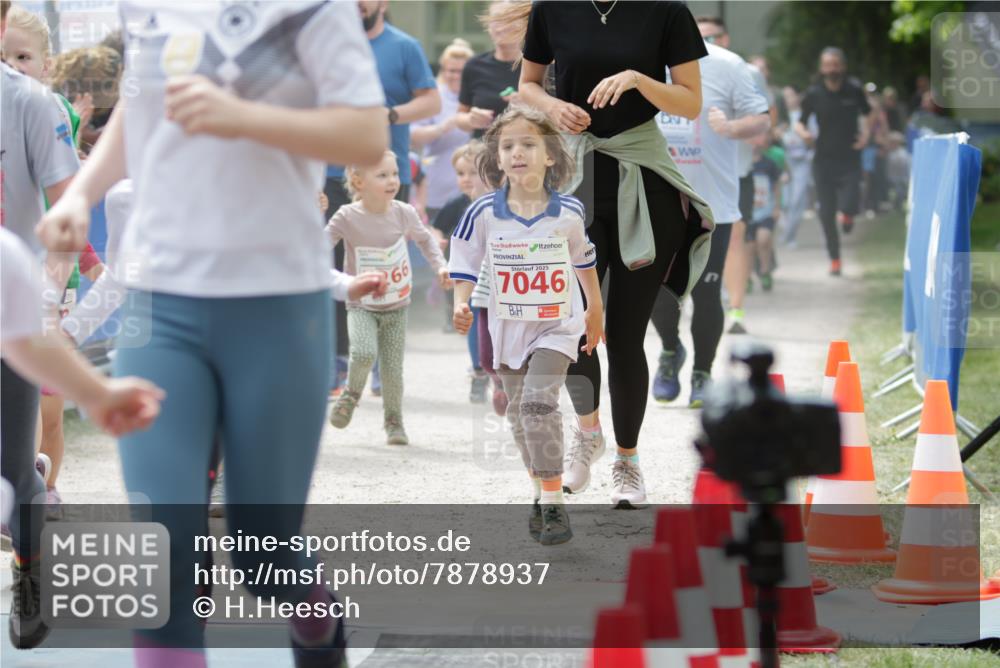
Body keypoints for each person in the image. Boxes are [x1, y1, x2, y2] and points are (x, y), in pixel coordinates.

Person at [34, 2, 388, 666]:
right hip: (160, 305)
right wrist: (80, 194)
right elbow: (139, 108)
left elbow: (367, 135)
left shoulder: (313, 9)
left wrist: (242, 116)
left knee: (264, 557)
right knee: (165, 554)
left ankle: (316, 619)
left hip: (278, 304)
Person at [516, 0, 713, 507]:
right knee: (576, 326)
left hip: (644, 181)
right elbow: (528, 85)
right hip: (574, 179)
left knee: (625, 334)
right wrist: (552, 107)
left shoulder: (667, 11)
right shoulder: (552, 8)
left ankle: (628, 461)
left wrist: (638, 80)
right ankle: (589, 435)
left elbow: (691, 103)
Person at [449, 105, 604, 544]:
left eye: (529, 144)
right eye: (508, 146)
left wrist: (595, 308)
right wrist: (461, 303)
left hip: (557, 327)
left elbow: (584, 259)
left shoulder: (568, 211)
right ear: (497, 158)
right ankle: (540, 488)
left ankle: (554, 503)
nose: (517, 153)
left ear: (550, 155)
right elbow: (463, 262)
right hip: (508, 331)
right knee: (519, 416)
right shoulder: (483, 212)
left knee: (538, 405)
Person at [0, 0, 80, 647]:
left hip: (12, 312)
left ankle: (29, 572)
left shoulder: (29, 102)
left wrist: (48, 293)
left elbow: (66, 214)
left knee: (12, 469)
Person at [326, 0, 441, 398]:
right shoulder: (326, 44)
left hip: (387, 173)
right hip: (332, 172)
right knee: (334, 266)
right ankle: (338, 361)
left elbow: (431, 102)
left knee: (386, 266)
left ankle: (378, 360)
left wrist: (389, 116)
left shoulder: (404, 46)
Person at [650, 30, 770, 406]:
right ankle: (671, 350)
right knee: (658, 290)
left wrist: (731, 128)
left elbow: (762, 120)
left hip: (711, 203)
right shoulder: (641, 60)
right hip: (655, 201)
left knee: (706, 292)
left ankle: (702, 373)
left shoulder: (728, 65)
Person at [327, 150, 451, 445]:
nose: (393, 180)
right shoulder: (346, 216)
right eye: (382, 175)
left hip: (397, 305)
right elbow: (319, 245)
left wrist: (441, 266)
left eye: (395, 173)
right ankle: (351, 394)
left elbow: (425, 240)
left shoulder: (403, 212)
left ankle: (394, 421)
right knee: (363, 353)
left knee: (392, 370)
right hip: (361, 304)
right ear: (358, 181)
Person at [694, 16, 774, 335]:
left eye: (711, 37)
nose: (705, 44)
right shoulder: (674, 67)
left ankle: (736, 310)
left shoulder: (744, 70)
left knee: (735, 238)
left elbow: (765, 121)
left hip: (735, 172)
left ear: (725, 39)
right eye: (699, 37)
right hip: (690, 176)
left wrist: (732, 128)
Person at [430, 141, 503, 406]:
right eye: (460, 173)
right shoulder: (457, 203)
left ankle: (501, 372)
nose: (466, 179)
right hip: (469, 276)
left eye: (473, 172)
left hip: (501, 275)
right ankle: (479, 372)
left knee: (499, 324)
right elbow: (436, 227)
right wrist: (437, 241)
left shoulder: (500, 202)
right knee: (472, 319)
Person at [795, 47, 872, 277]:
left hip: (850, 157)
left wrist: (866, 135)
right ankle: (835, 260)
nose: (832, 69)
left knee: (850, 201)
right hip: (823, 160)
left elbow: (869, 113)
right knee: (826, 214)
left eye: (836, 64)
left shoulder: (854, 89)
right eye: (828, 65)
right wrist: (804, 134)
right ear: (821, 68)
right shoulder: (814, 93)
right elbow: (800, 122)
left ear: (843, 67)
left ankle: (848, 215)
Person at [411, 38, 474, 221]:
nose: (457, 76)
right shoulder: (434, 96)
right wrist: (442, 128)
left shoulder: (478, 95)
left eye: (462, 71)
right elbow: (413, 135)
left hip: (473, 188)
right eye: (452, 70)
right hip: (436, 189)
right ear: (443, 70)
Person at [455, 0, 526, 138]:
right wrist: (471, 119)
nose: (502, 26)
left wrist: (531, 108)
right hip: (483, 147)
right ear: (488, 26)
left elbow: (557, 118)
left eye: (509, 18)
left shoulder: (540, 66)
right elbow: (460, 117)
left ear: (524, 24)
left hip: (526, 147)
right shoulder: (474, 65)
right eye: (496, 19)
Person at [778, 85, 816, 247]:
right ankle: (786, 233)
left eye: (791, 95)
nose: (788, 99)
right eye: (785, 96)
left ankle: (790, 236)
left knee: (797, 199)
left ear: (798, 97)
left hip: (802, 161)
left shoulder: (806, 116)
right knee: (784, 201)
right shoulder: (779, 117)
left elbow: (813, 139)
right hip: (784, 161)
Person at [746, 133, 781, 290]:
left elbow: (777, 185)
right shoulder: (742, 165)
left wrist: (777, 207)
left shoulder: (769, 164)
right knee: (749, 247)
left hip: (766, 210)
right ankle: (747, 277)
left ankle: (765, 271)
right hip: (748, 212)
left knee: (763, 240)